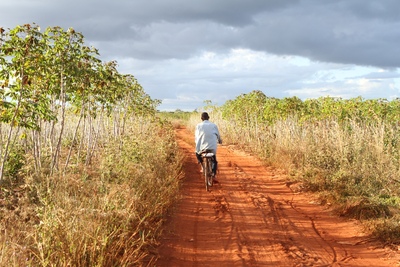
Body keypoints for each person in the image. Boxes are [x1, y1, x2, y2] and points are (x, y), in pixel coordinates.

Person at [195, 112, 222, 181]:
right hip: (212, 146)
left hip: (201, 147)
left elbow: (196, 137)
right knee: (214, 161)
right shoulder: (213, 125)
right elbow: (218, 135)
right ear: (208, 118)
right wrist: (220, 141)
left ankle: (203, 167)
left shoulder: (198, 126)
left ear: (201, 118)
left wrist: (197, 143)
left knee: (197, 154)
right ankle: (213, 175)